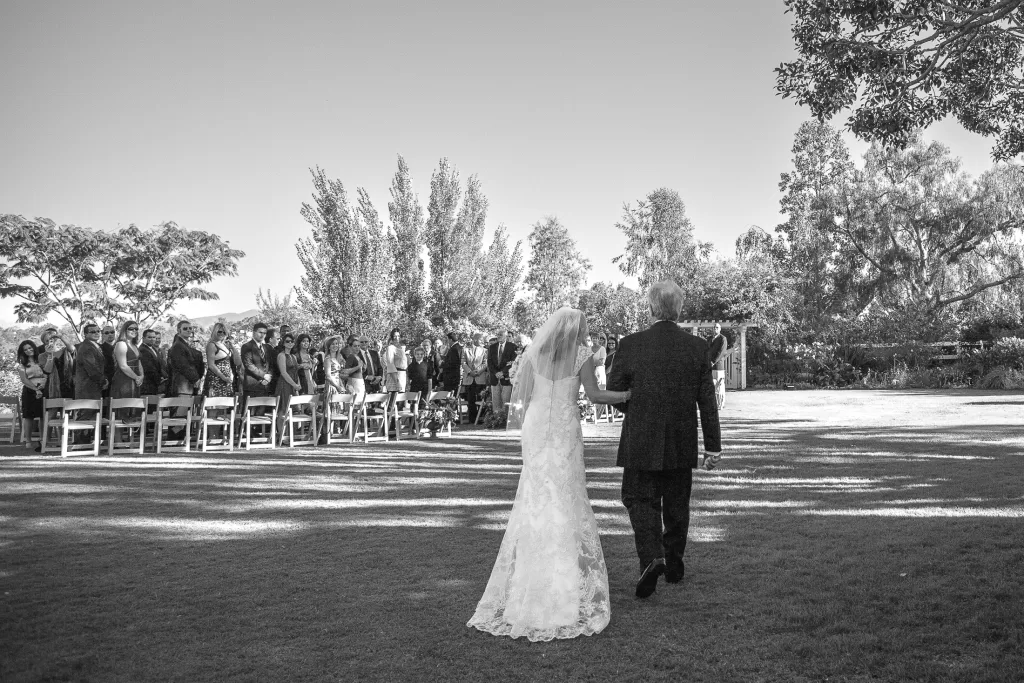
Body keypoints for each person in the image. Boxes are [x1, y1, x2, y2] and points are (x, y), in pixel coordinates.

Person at [467, 307, 630, 641]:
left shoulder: (534, 354)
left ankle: (530, 579)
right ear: (574, 330)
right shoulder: (581, 355)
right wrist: (627, 395)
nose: (585, 331)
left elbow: (522, 397)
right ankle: (561, 585)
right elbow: (596, 395)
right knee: (565, 494)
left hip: (537, 426)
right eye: (583, 326)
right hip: (563, 429)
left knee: (537, 495)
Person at [607, 280, 722, 599]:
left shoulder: (630, 344)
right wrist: (713, 445)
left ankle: (651, 557)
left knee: (638, 498)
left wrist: (638, 408)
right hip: (681, 435)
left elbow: (615, 391)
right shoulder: (697, 347)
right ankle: (674, 566)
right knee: (676, 504)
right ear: (679, 309)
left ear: (651, 308)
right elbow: (707, 401)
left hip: (640, 436)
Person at [73, 323, 107, 443]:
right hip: (86, 387)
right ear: (86, 334)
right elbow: (91, 368)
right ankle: (79, 443)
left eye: (98, 331)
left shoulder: (95, 346)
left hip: (93, 387)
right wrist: (103, 380)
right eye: (93, 332)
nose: (97, 333)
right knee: (85, 415)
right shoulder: (86, 347)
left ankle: (85, 442)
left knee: (91, 414)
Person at [17, 340, 46, 451]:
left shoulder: (41, 360)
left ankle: (43, 439)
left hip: (44, 389)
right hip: (30, 391)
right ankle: (28, 440)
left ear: (34, 347)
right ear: (22, 352)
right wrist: (35, 389)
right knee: (29, 416)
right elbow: (24, 380)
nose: (29, 350)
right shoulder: (22, 365)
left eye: (30, 348)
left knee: (44, 415)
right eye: (25, 349)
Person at [274, 334, 301, 445]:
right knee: (282, 411)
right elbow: (283, 373)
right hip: (284, 385)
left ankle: (291, 435)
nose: (290, 343)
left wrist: (297, 385)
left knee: (294, 410)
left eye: (292, 341)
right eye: (288, 341)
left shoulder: (294, 356)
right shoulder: (281, 355)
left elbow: (296, 372)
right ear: (283, 343)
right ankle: (281, 435)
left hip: (293, 384)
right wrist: (294, 384)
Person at [167, 320, 205, 399]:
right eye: (185, 328)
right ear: (178, 330)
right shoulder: (178, 346)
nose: (188, 330)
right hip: (181, 386)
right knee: (181, 411)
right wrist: (195, 379)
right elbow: (183, 365)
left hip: (187, 387)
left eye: (190, 328)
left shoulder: (184, 345)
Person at [110, 320, 144, 401]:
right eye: (131, 329)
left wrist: (142, 376)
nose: (134, 331)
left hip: (136, 380)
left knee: (134, 406)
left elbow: (139, 362)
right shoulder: (121, 344)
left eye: (136, 329)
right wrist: (136, 377)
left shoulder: (135, 345)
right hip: (124, 380)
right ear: (125, 330)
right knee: (124, 406)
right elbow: (123, 365)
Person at [487, 329, 518, 417]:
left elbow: (513, 362)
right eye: (498, 334)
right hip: (495, 378)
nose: (499, 336)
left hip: (506, 378)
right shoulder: (492, 347)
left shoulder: (512, 346)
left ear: (505, 336)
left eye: (501, 334)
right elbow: (489, 362)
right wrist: (496, 373)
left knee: (506, 400)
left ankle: (505, 419)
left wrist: (503, 372)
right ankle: (496, 419)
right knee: (496, 401)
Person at [39, 328, 75, 400]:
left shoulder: (64, 351)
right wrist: (50, 354)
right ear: (44, 342)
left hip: (67, 385)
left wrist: (61, 337)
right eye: (47, 341)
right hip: (52, 387)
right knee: (53, 409)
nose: (50, 342)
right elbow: (47, 370)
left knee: (68, 409)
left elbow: (72, 349)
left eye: (52, 339)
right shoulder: (42, 356)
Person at [461, 333, 487, 422]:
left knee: (480, 398)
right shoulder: (465, 350)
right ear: (475, 339)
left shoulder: (485, 351)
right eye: (480, 339)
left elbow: (485, 363)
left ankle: (480, 418)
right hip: (469, 378)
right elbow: (463, 363)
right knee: (470, 399)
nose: (482, 341)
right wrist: (470, 372)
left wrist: (477, 372)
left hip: (480, 378)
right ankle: (472, 419)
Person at [204, 322, 234, 397]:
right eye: (219, 331)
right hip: (216, 379)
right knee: (215, 405)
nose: (222, 334)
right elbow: (211, 365)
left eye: (224, 332)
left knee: (226, 405)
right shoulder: (211, 345)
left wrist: (230, 375)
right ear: (215, 332)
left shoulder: (225, 345)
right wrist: (223, 377)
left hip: (227, 380)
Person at [139, 328, 166, 396]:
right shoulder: (143, 350)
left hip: (155, 385)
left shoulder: (153, 349)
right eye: (149, 337)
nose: (152, 339)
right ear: (143, 338)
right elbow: (149, 368)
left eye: (154, 337)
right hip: (148, 385)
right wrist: (160, 379)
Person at [708, 323, 729, 408]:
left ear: (720, 329)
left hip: (718, 366)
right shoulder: (709, 339)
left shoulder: (723, 339)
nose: (715, 329)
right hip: (710, 366)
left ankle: (720, 404)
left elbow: (721, 352)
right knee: (711, 386)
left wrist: (713, 361)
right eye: (714, 327)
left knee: (719, 386)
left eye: (717, 327)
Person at [384, 328, 408, 398]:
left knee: (400, 402)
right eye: (395, 336)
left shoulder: (401, 348)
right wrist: (397, 382)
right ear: (392, 337)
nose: (397, 338)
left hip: (402, 376)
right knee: (393, 401)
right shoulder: (391, 348)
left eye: (398, 336)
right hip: (394, 377)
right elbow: (390, 365)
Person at [321, 336, 346, 401]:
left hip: (338, 384)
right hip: (331, 386)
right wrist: (337, 387)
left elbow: (337, 374)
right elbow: (328, 376)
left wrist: (341, 385)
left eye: (336, 343)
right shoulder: (328, 359)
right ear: (329, 347)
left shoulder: (337, 359)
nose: (335, 345)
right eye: (333, 344)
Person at [344, 337, 367, 402]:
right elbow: (346, 371)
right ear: (350, 347)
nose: (357, 348)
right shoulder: (351, 357)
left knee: (361, 402)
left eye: (358, 346)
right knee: (355, 402)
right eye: (355, 346)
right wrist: (358, 367)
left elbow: (362, 370)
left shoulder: (359, 356)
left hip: (360, 382)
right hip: (354, 382)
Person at [100, 325, 117, 398]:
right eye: (106, 333)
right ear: (102, 335)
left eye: (112, 332)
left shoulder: (121, 346)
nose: (110, 334)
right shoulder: (100, 349)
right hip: (107, 383)